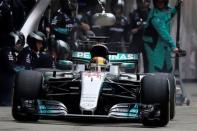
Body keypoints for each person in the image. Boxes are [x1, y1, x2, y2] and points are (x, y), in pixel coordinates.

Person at [143, 0, 179, 73]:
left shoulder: (164, 11)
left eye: (162, 1)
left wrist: (176, 7)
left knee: (167, 66)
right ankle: (152, 83)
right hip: (152, 44)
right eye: (158, 2)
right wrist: (173, 46)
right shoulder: (154, 16)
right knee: (155, 66)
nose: (160, 3)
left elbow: (168, 16)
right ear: (155, 2)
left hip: (160, 42)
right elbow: (163, 32)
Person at [0, 31, 25, 106]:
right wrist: (25, 71)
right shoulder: (7, 51)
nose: (20, 45)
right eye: (19, 42)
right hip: (4, 83)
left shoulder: (10, 51)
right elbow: (12, 68)